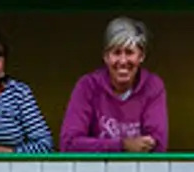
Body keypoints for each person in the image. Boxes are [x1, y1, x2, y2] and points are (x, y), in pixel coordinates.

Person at [60, 15, 169, 154]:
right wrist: (123, 145)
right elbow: (68, 144)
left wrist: (97, 146)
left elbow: (157, 145)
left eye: (129, 52)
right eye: (116, 53)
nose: (123, 61)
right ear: (106, 57)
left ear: (141, 56)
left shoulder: (153, 86)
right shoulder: (87, 86)